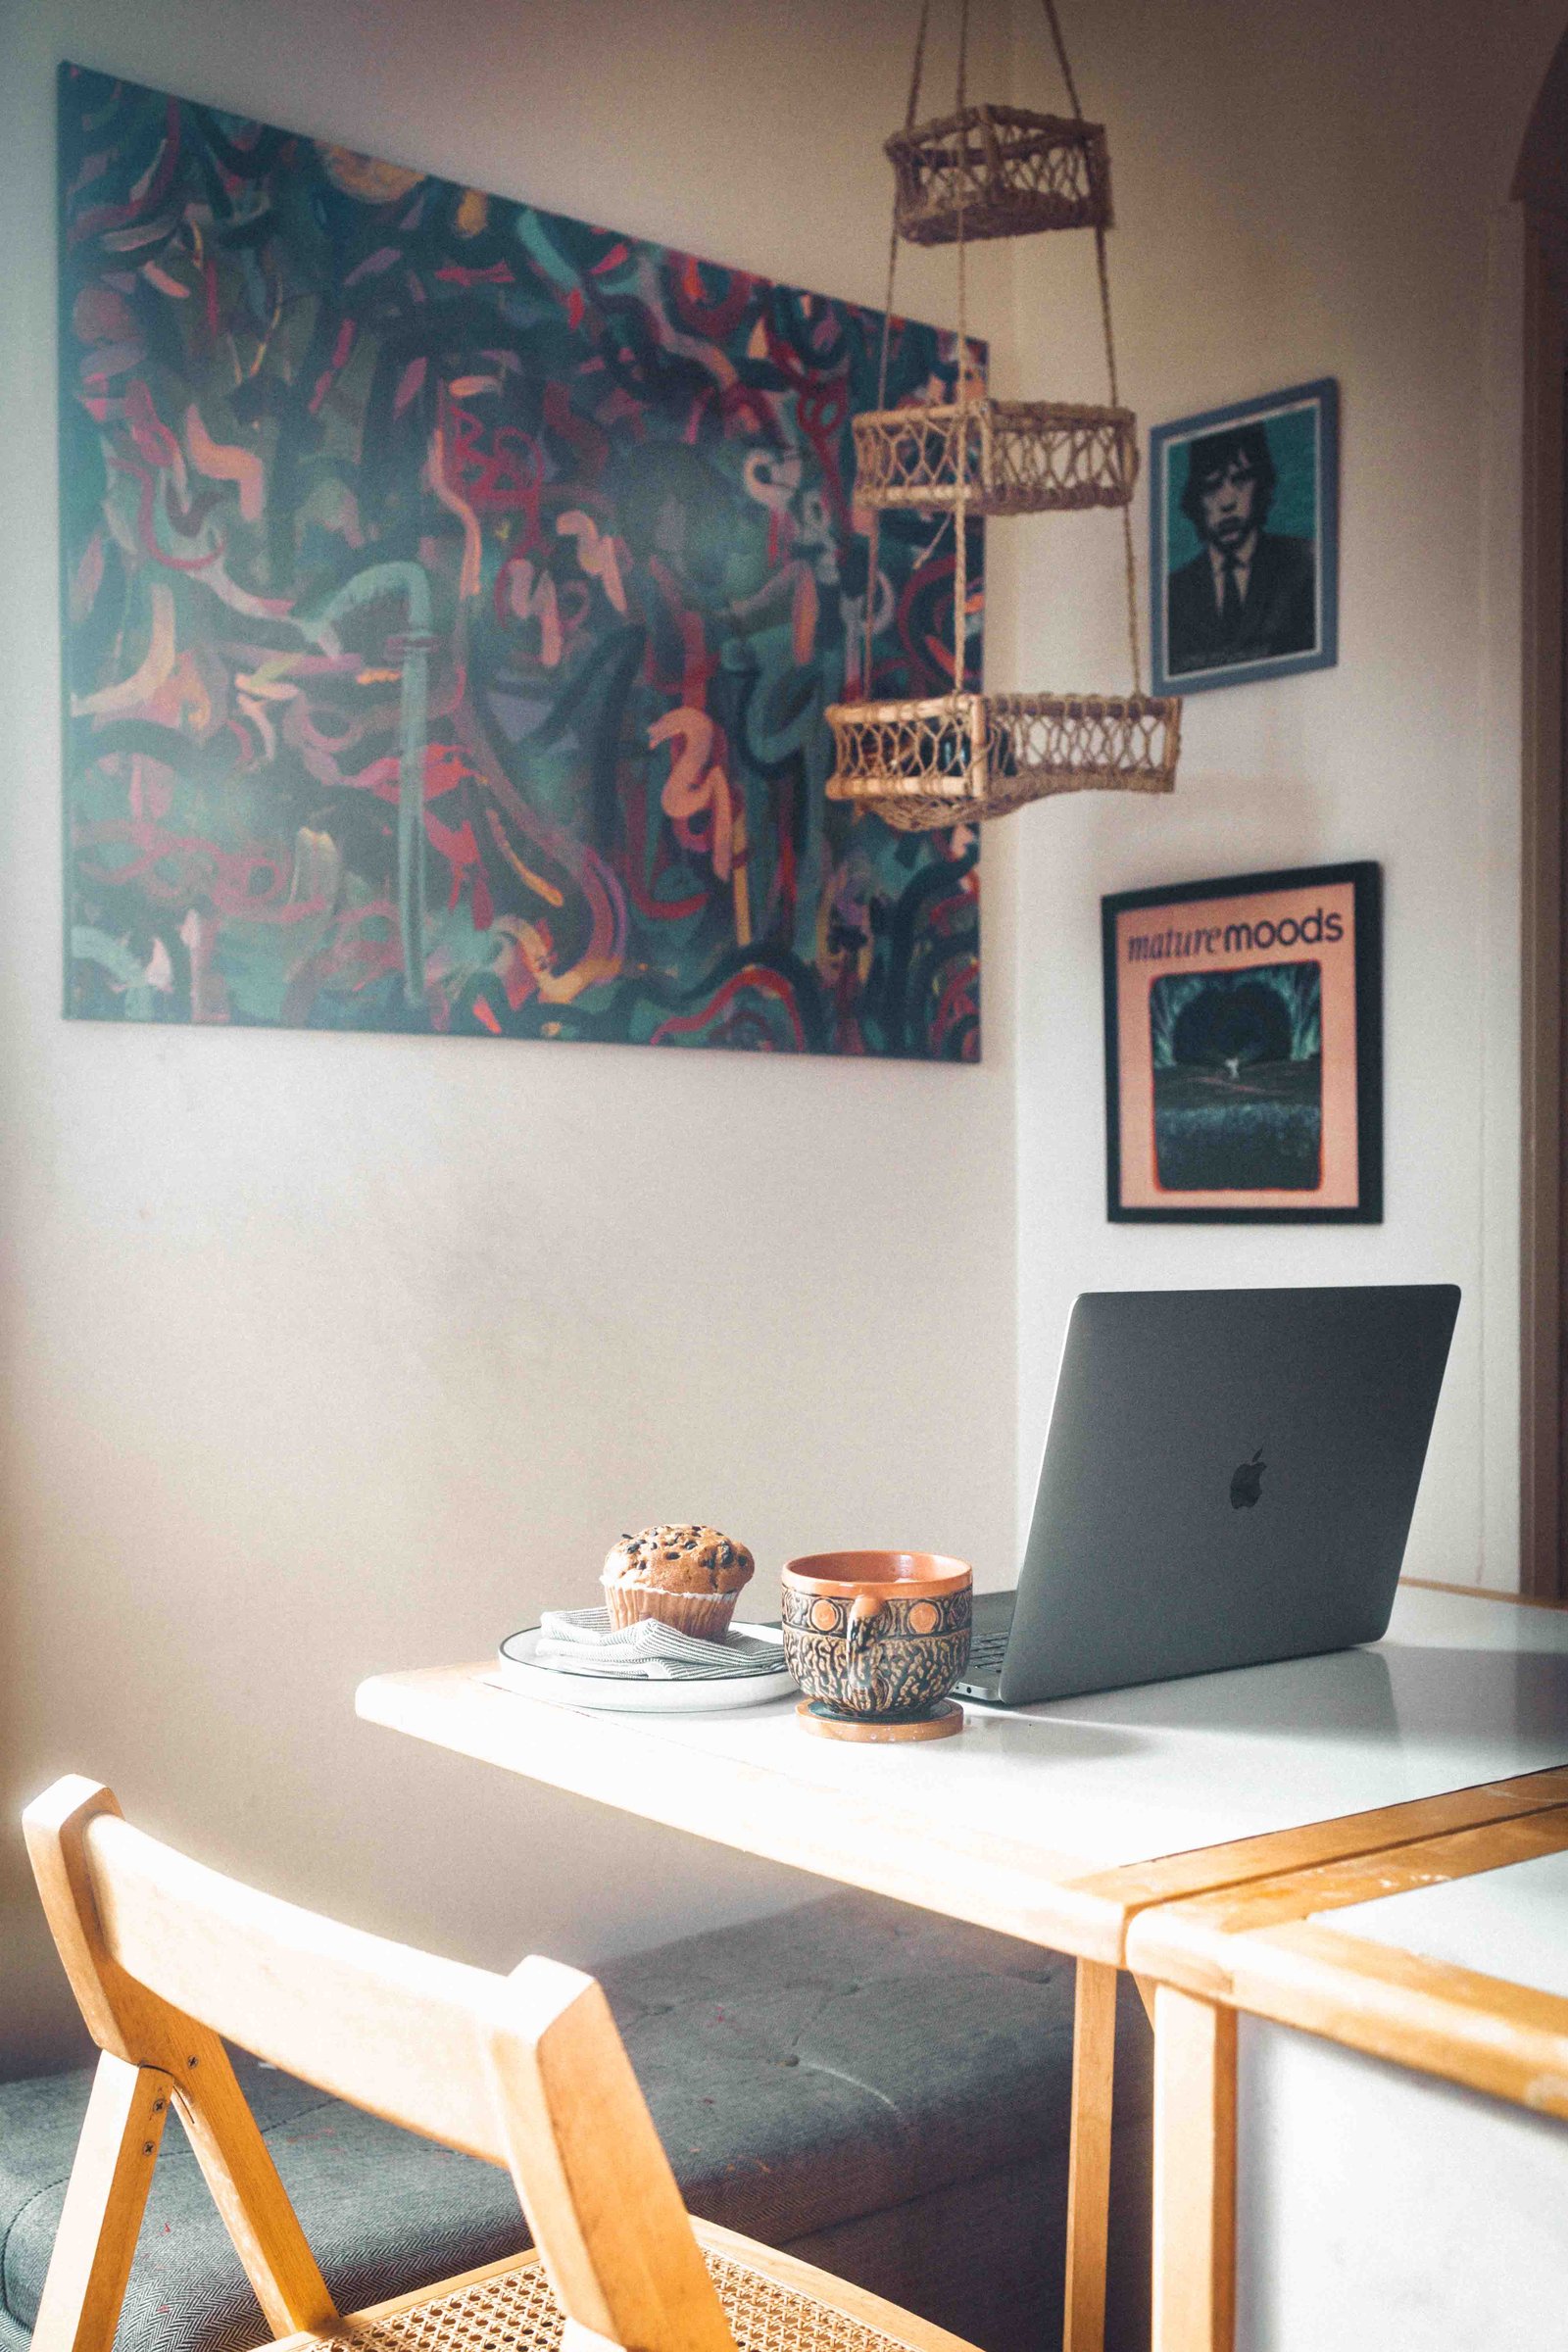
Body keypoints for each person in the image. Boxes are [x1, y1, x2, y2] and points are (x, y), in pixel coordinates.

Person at [1165, 421, 1316, 676]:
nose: (1227, 501)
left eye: (1241, 480)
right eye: (1212, 485)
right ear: (1196, 499)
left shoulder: (1304, 565)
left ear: (1261, 484)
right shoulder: (1174, 592)